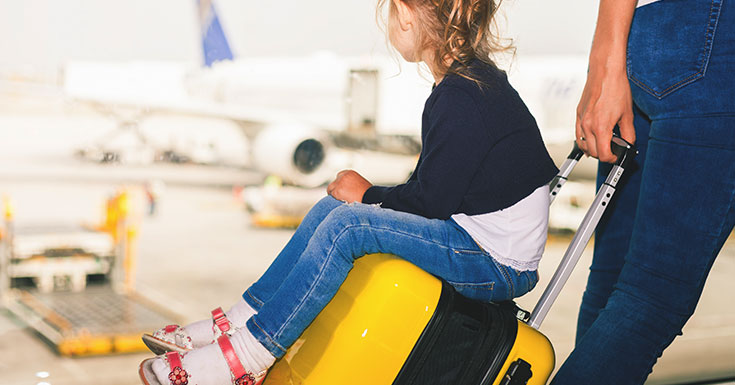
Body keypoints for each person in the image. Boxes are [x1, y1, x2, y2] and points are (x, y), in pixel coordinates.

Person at [139, 0, 559, 384]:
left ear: (405, 14)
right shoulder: (470, 84)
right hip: (480, 242)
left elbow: (432, 203)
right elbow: (437, 191)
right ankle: (237, 322)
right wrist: (364, 195)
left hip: (494, 262)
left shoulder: (461, 95)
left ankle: (245, 359)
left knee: (346, 225)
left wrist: (367, 191)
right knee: (334, 208)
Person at [552, 0, 735, 383]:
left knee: (613, 285)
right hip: (717, 48)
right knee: (650, 300)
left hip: (647, 33)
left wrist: (607, 60)